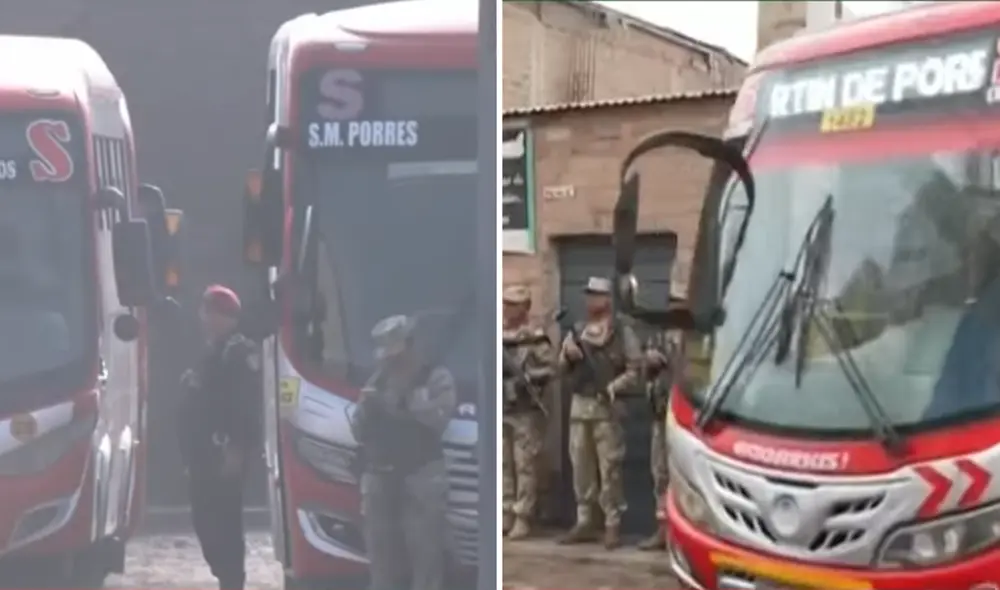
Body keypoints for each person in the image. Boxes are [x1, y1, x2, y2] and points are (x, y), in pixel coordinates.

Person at [349, 314, 456, 590]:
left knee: (425, 560)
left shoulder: (435, 377)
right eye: (386, 356)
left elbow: (440, 420)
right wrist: (370, 408)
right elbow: (359, 430)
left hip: (421, 479)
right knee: (382, 561)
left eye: (396, 354)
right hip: (380, 480)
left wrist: (404, 402)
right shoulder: (377, 381)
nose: (391, 361)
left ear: (410, 346)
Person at [177, 285, 261, 590]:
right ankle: (225, 575)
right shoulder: (211, 351)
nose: (202, 318)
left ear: (224, 316)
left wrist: (237, 448)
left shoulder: (238, 351)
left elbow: (245, 404)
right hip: (201, 455)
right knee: (204, 521)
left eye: (208, 312)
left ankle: (232, 581)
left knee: (224, 522)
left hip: (223, 451)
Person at [558, 277, 641, 550]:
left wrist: (614, 387)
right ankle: (584, 521)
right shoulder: (578, 330)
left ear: (607, 299)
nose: (590, 300)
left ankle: (611, 523)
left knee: (610, 470)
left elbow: (635, 369)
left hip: (606, 408)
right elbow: (560, 369)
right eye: (588, 295)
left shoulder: (621, 330)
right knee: (581, 467)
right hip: (580, 407)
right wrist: (567, 356)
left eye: (595, 295)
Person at [501, 284, 553, 540]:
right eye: (506, 303)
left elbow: (551, 368)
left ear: (525, 308)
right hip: (501, 407)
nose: (507, 309)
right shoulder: (497, 333)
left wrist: (529, 378)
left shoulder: (534, 336)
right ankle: (505, 512)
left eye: (513, 304)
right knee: (503, 465)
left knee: (525, 466)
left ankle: (523, 515)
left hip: (525, 409)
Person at [637, 333, 674, 551]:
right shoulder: (660, 337)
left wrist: (670, 364)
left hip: (687, 417)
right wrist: (649, 364)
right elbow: (646, 375)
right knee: (660, 474)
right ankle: (663, 530)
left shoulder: (698, 335)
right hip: (660, 416)